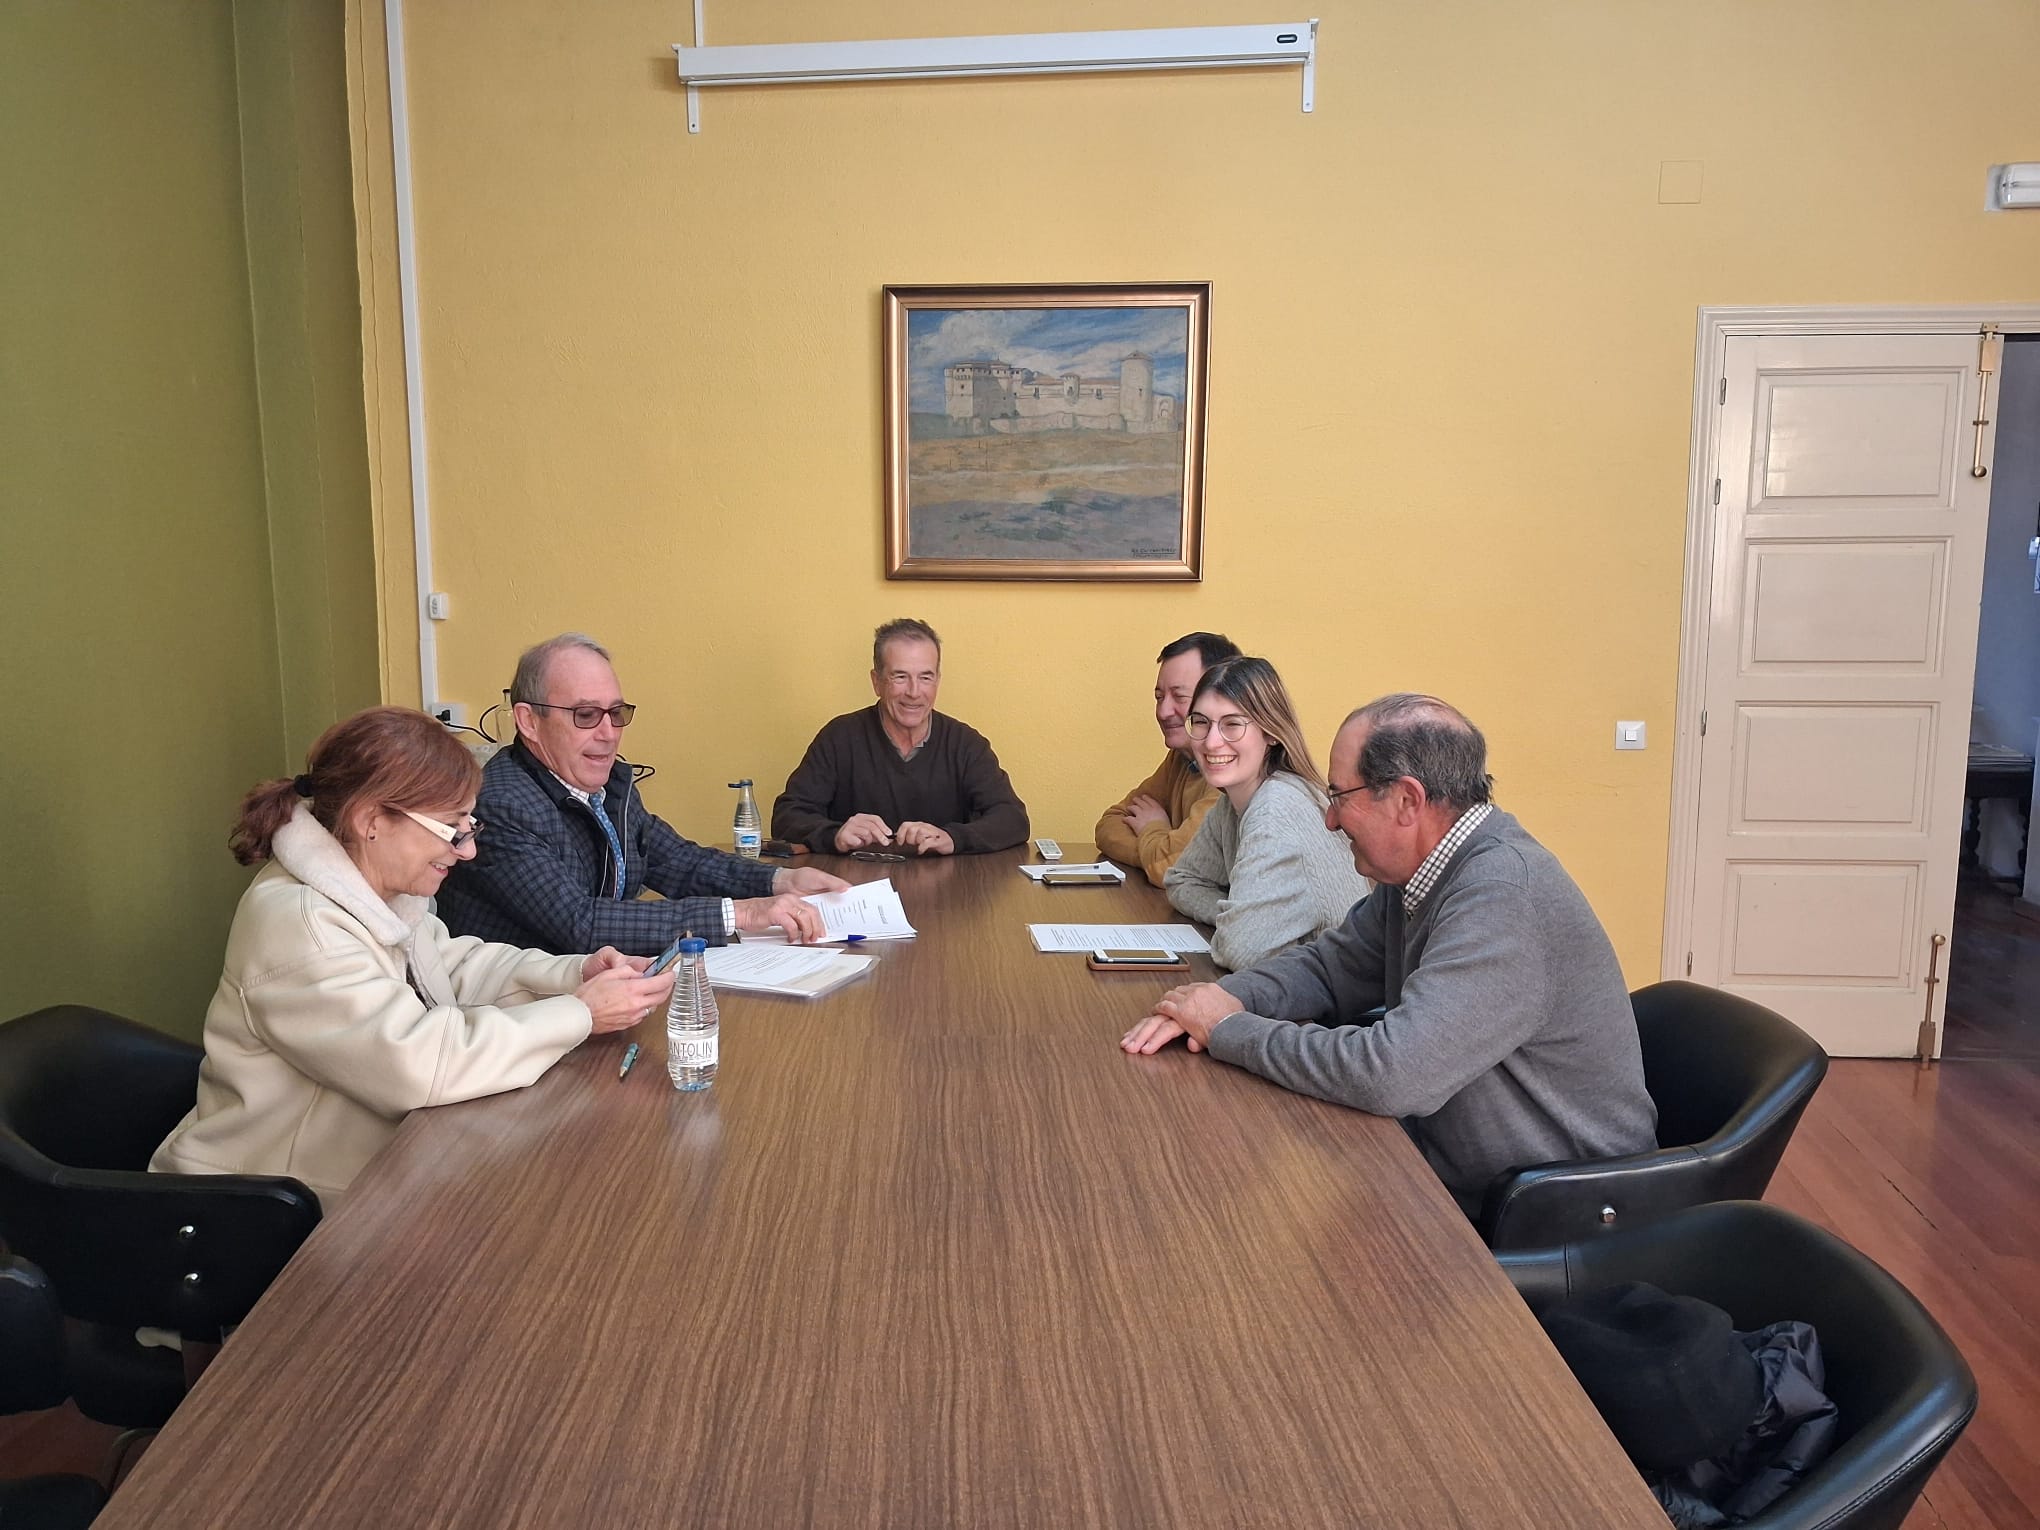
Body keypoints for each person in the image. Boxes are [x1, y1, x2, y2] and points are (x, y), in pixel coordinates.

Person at [1122, 693, 1656, 1214]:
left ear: (1406, 800)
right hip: (1448, 1170)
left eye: (1339, 796)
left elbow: (1393, 1073)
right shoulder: (1417, 875)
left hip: (1550, 1209)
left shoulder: (1502, 895)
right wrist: (1216, 999)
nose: (1330, 820)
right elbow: (1331, 970)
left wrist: (1227, 1030)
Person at [152, 706, 677, 1209]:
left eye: (471, 826)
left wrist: (573, 974)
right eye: (453, 827)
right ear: (371, 819)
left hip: (364, 1172)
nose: (467, 850)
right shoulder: (302, 925)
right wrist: (581, 1014)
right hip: (265, 1209)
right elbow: (415, 1066)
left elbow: (452, 966)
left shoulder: (378, 882)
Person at [438, 634, 846, 955]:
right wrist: (743, 912)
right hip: (518, 1015)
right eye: (585, 715)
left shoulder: (606, 784)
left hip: (596, 995)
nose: (608, 733)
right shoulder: (501, 803)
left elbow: (677, 861)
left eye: (616, 714)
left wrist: (780, 880)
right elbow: (580, 923)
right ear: (529, 720)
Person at [1160, 656, 1371, 971]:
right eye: (1201, 722)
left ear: (1271, 733)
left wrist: (1239, 921)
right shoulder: (1233, 803)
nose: (1211, 741)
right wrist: (1235, 915)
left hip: (1338, 1010)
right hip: (1297, 989)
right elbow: (1182, 881)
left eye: (1232, 724)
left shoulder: (1278, 808)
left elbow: (1239, 950)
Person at [771, 618, 1029, 855]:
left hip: (948, 890)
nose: (914, 692)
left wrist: (953, 838)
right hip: (856, 890)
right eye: (900, 677)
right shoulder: (839, 738)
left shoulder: (965, 744)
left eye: (925, 677)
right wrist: (834, 834)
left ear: (937, 681)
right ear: (876, 681)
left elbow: (1013, 819)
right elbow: (787, 817)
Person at [1093, 631, 1242, 884]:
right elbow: (1109, 825)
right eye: (1159, 697)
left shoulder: (1229, 770)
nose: (1163, 711)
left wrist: (1153, 831)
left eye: (1179, 697)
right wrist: (1158, 849)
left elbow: (1169, 867)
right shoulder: (1181, 758)